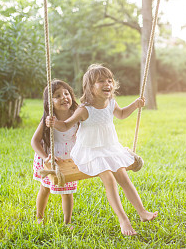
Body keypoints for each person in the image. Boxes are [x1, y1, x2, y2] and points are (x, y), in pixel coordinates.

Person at [47, 64, 158, 235]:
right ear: (90, 87)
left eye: (109, 80)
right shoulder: (85, 110)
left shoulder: (111, 103)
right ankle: (124, 220)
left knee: (124, 177)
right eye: (101, 81)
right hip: (90, 151)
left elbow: (121, 114)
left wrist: (135, 105)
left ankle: (142, 212)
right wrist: (54, 124)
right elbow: (66, 125)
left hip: (109, 148)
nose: (107, 83)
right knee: (110, 179)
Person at [31, 79, 79, 227]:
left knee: (67, 192)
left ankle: (67, 222)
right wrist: (46, 158)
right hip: (50, 158)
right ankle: (39, 217)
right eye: (57, 95)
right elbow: (35, 141)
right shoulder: (49, 119)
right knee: (45, 188)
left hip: (67, 159)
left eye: (66, 93)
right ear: (49, 102)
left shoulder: (76, 115)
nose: (64, 97)